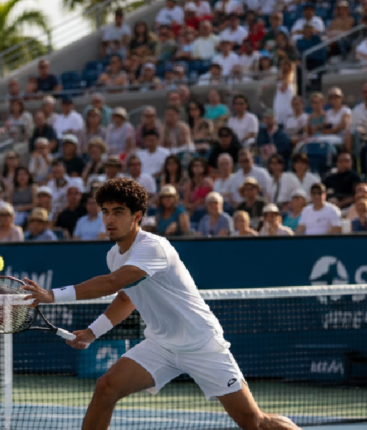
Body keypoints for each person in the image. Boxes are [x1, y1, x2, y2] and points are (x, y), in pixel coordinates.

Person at [22, 178, 298, 430]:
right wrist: (93, 332)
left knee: (255, 423)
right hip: (161, 345)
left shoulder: (153, 247)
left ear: (137, 216)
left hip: (201, 344)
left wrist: (51, 295)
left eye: (118, 211)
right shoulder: (114, 255)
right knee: (106, 387)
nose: (109, 219)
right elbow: (127, 297)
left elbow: (112, 284)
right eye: (105, 211)